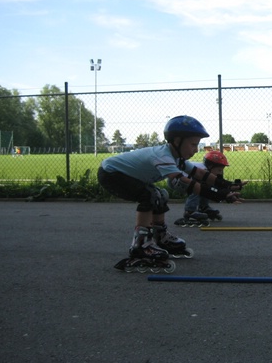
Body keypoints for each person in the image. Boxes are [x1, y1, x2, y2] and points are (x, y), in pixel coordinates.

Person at [97, 115, 243, 273]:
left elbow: (200, 174)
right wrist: (221, 195)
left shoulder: (176, 157)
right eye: (193, 144)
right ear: (177, 141)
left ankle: (160, 237)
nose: (196, 150)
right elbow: (187, 182)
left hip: (120, 173)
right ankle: (141, 246)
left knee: (161, 195)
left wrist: (228, 185)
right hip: (110, 173)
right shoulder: (163, 156)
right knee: (149, 195)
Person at [174, 150, 247, 226]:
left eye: (222, 170)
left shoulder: (208, 170)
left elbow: (218, 185)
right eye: (219, 170)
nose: (220, 173)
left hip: (184, 181)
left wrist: (230, 189)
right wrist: (223, 194)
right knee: (199, 187)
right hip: (177, 181)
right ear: (210, 166)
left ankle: (203, 207)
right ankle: (190, 211)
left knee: (205, 188)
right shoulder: (203, 170)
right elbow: (211, 188)